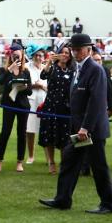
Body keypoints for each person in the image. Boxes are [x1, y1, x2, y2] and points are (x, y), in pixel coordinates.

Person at [39, 33, 112, 214]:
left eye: (78, 49)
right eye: (73, 49)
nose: (75, 52)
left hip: (91, 130)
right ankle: (62, 199)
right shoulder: (79, 68)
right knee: (69, 161)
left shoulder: (95, 70)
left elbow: (97, 102)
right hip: (80, 129)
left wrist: (85, 128)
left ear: (88, 49)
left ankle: (109, 204)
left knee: (98, 166)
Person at [0, 44, 31, 173]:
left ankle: (20, 162)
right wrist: (10, 69)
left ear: (22, 56)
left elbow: (30, 91)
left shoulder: (26, 71)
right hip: (9, 104)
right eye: (14, 55)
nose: (16, 57)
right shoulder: (5, 70)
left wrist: (23, 87)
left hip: (22, 105)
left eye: (18, 55)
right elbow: (1, 82)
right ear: (10, 56)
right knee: (5, 131)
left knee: (22, 133)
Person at [39, 45, 74, 175]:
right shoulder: (53, 68)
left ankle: (63, 162)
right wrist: (49, 61)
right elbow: (43, 76)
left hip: (65, 108)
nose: (65, 55)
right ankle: (51, 162)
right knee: (49, 134)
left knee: (64, 136)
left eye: (67, 53)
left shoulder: (72, 71)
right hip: (51, 105)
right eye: (63, 52)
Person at [25, 45, 47, 165]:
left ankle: (49, 158)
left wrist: (43, 86)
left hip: (44, 101)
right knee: (30, 129)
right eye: (36, 55)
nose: (38, 57)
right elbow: (25, 84)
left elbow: (51, 87)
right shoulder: (27, 67)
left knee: (45, 129)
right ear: (33, 56)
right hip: (31, 101)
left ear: (44, 57)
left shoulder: (47, 68)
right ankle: (31, 156)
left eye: (40, 55)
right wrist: (35, 85)